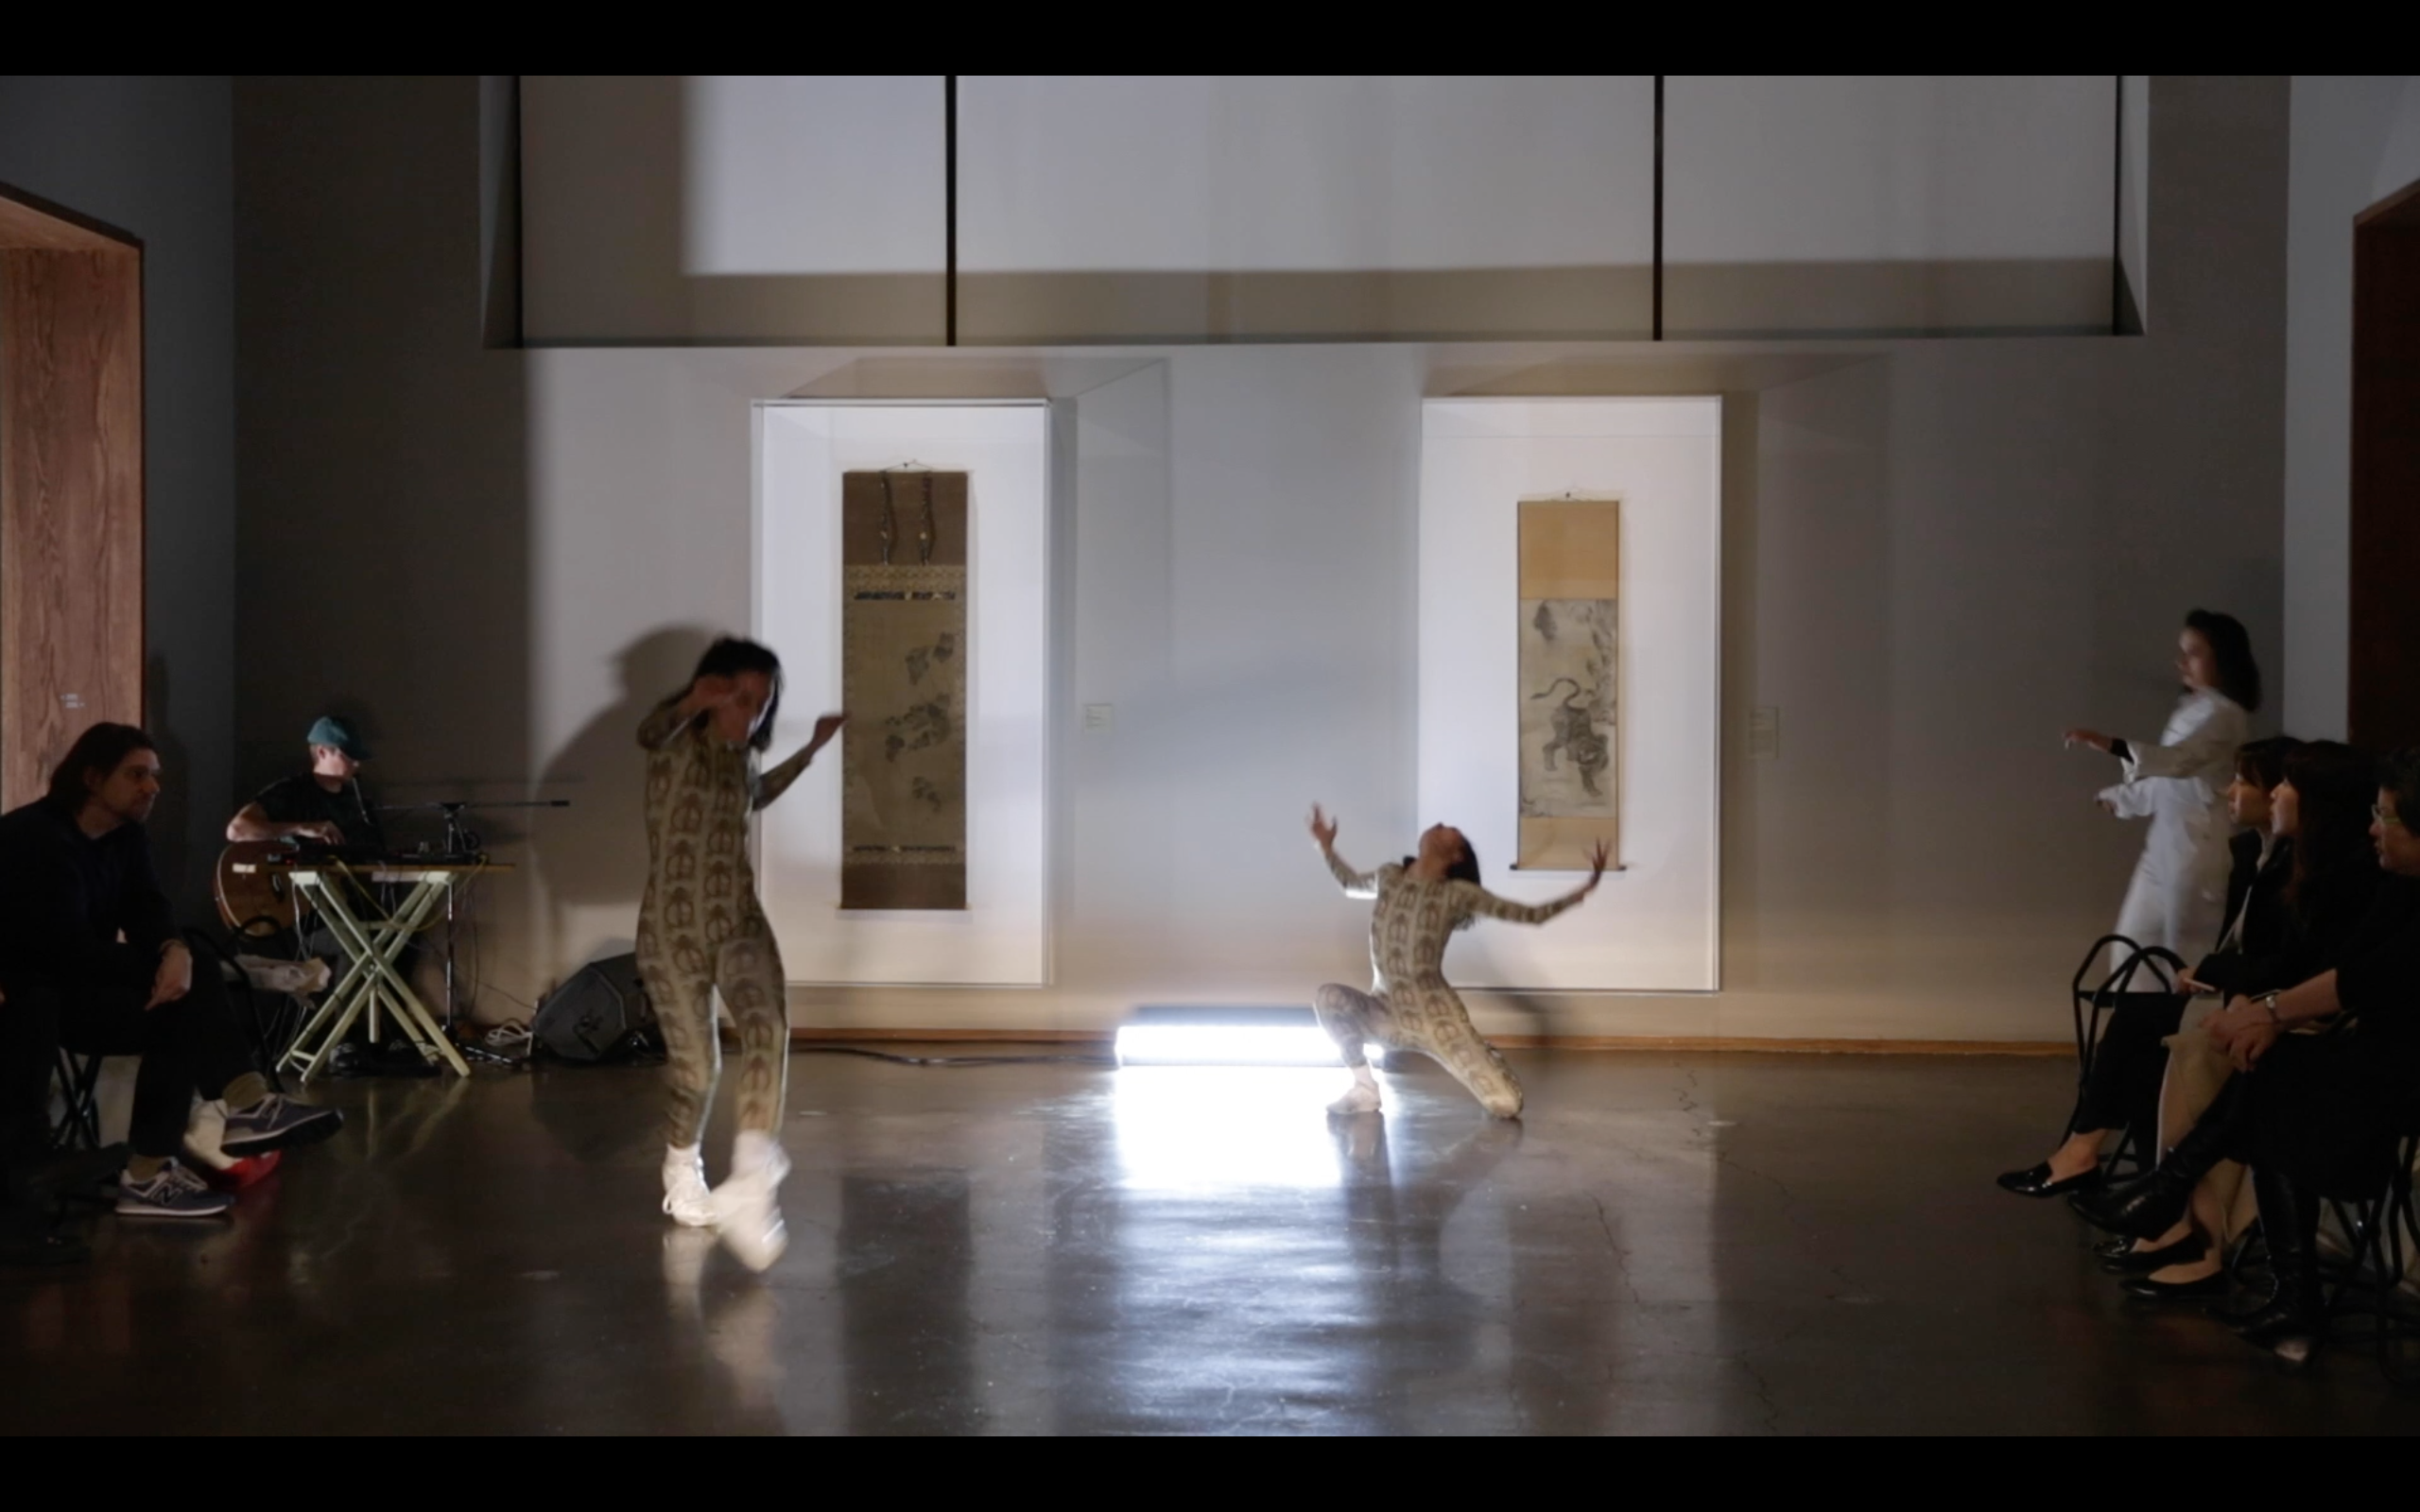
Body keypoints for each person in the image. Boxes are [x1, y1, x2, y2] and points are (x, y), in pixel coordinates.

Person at [2075, 747, 2420, 1360]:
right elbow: (2346, 970)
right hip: (2372, 1054)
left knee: (2272, 1074)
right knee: (2268, 1068)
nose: (2375, 827)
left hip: (2396, 1070)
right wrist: (2269, 1016)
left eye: (2388, 818)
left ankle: (2176, 1197)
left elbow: (2358, 978)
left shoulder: (2369, 883)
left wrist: (2268, 1012)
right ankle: (2281, 1293)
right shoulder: (2393, 886)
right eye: (2374, 813)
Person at [0, 724, 343, 1223]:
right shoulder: (30, 837)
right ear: (92, 778)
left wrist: (171, 948)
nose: (152, 787)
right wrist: (171, 961)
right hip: (44, 1001)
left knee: (182, 1004)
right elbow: (58, 949)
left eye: (154, 776)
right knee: (189, 979)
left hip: (91, 986)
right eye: (136, 774)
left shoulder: (126, 836)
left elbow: (146, 906)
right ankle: (242, 1107)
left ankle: (151, 1172)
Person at [1998, 736, 2303, 1201]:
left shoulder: (2295, 868)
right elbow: (2245, 941)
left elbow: (2282, 959)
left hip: (2266, 1007)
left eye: (2245, 782)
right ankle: (2146, 1195)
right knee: (2144, 1040)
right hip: (2238, 993)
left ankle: (2099, 1165)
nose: (2229, 792)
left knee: (2137, 1022)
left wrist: (2217, 973)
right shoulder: (2251, 854)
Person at [637, 638, 844, 1272]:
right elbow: (650, 732)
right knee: (698, 1072)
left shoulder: (740, 760)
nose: (751, 714)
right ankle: (682, 1172)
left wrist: (809, 751)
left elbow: (755, 795)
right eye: (742, 698)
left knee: (767, 1026)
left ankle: (754, 1180)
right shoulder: (675, 748)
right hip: (672, 934)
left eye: (762, 703)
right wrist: (684, 704)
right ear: (711, 691)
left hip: (737, 921)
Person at [1307, 805, 1607, 1120]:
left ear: (1457, 856)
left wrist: (1582, 891)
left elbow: (1529, 916)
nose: (1438, 823)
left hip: (1438, 1019)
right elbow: (1350, 884)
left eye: (1450, 828)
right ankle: (1365, 1089)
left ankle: (1483, 1053)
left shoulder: (1459, 895)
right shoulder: (1389, 876)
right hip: (1385, 1013)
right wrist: (1326, 846)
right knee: (1328, 998)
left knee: (1506, 1105)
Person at [2065, 609, 2261, 962]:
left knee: (2183, 956)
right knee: (2131, 945)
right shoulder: (2191, 709)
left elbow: (2180, 762)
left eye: (2194, 653)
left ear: (2223, 657)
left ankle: (2185, 1018)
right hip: (2163, 843)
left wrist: (2110, 744)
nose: (2182, 662)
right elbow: (2168, 779)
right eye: (2182, 652)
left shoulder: (2225, 715)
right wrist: (2123, 798)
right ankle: (2134, 1014)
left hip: (2196, 850)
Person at [226, 715, 384, 850]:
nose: (356, 764)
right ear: (322, 752)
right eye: (349, 756)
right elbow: (237, 830)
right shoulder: (291, 792)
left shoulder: (359, 802)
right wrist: (301, 828)